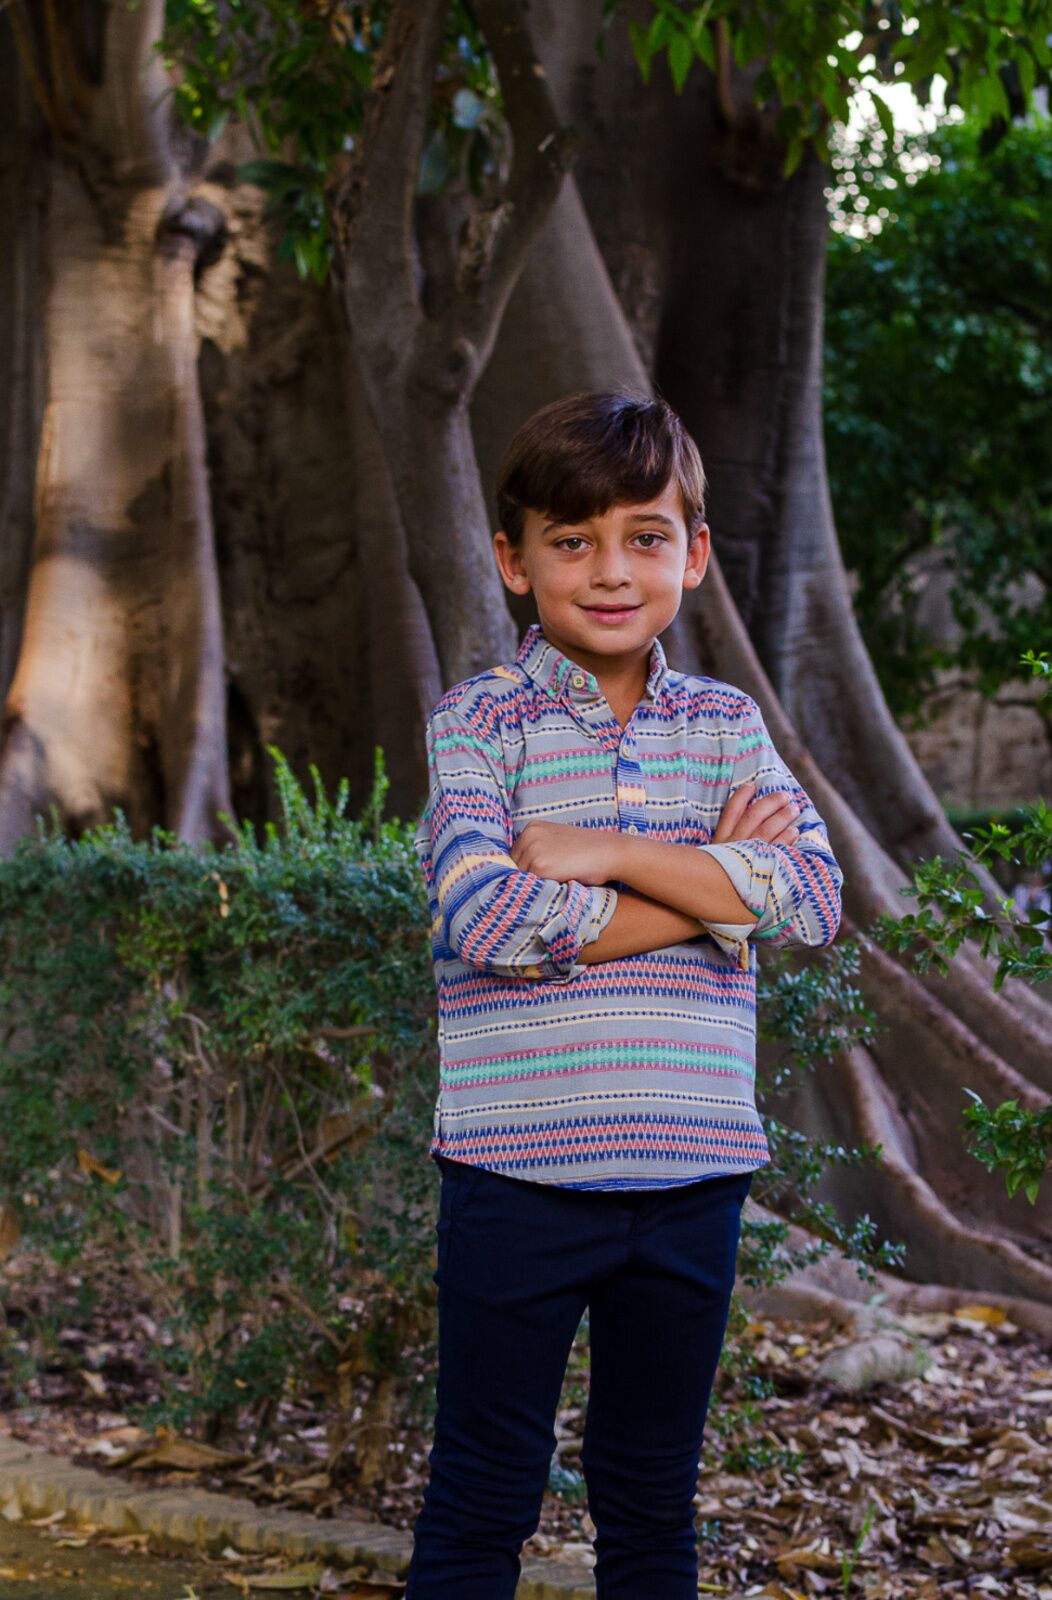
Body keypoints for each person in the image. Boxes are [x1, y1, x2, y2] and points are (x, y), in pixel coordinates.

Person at [406, 388, 844, 1599]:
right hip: (516, 1173)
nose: (611, 570)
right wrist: (718, 891)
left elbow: (813, 898)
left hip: (693, 1173)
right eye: (573, 539)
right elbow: (486, 917)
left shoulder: (727, 726)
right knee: (483, 1492)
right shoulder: (480, 726)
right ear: (515, 560)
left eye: (645, 536)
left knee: (652, 1500)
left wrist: (606, 852)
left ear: (692, 554)